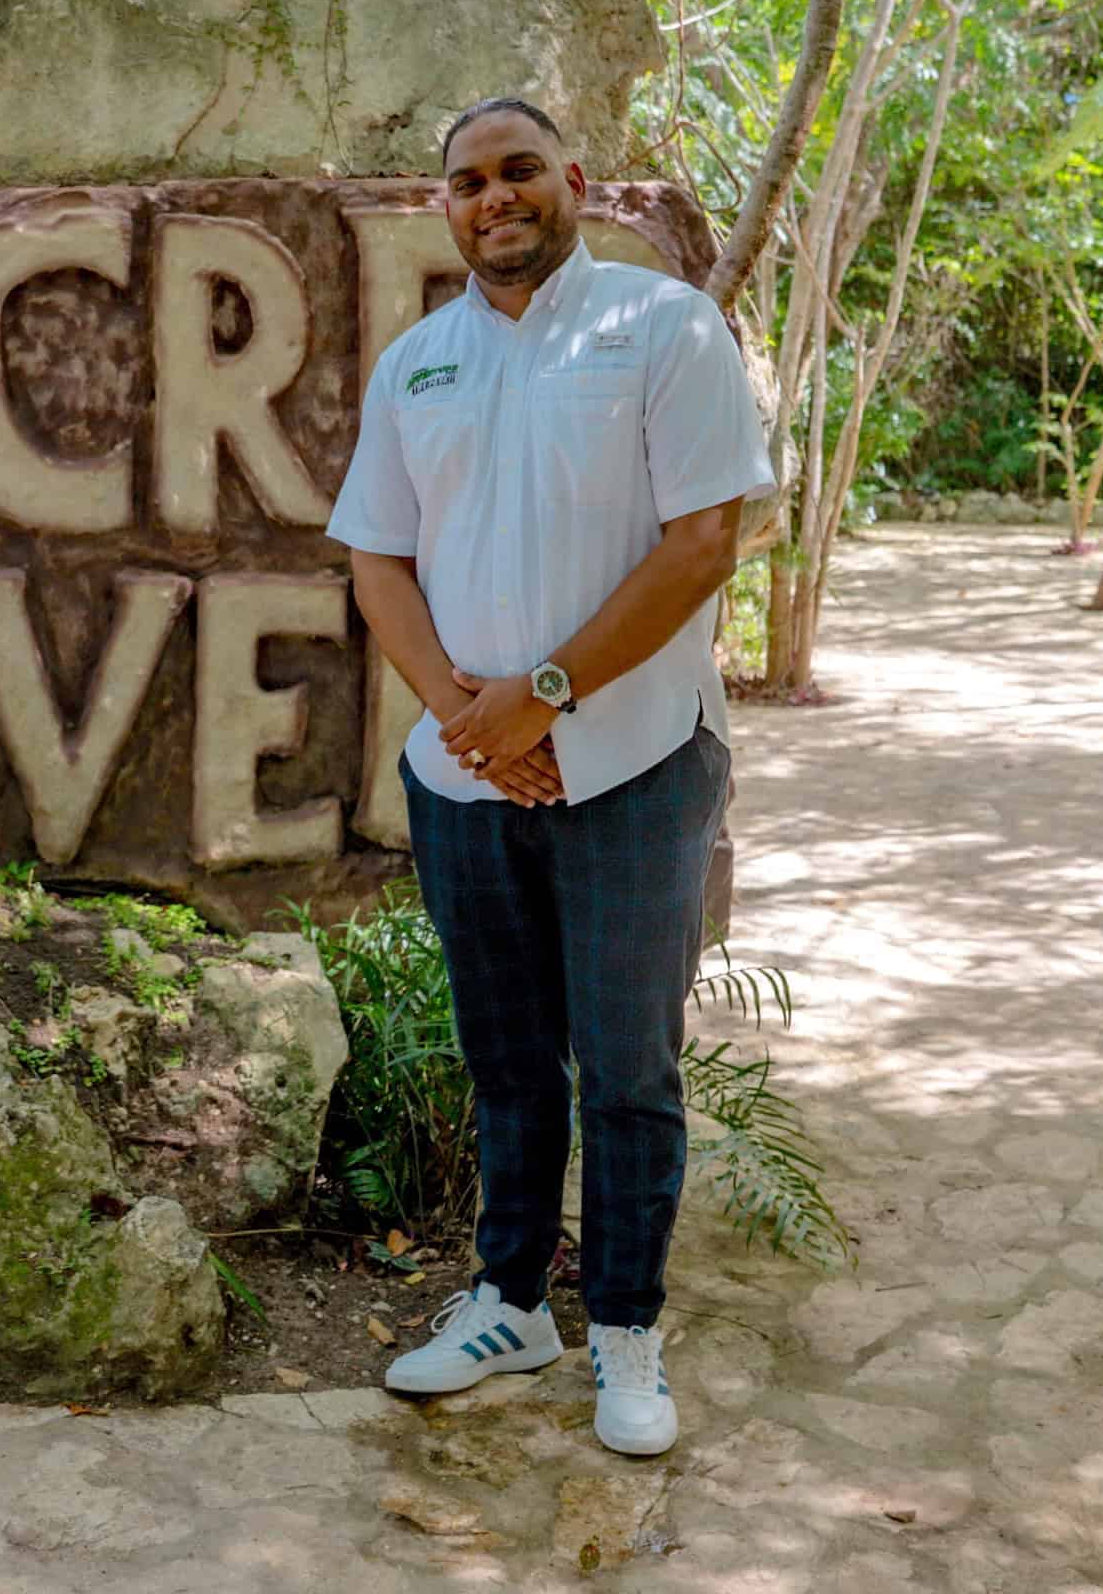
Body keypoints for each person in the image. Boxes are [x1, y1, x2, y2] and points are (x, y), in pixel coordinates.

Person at [329, 98, 774, 1457]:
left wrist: (544, 700)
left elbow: (704, 540)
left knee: (627, 1069)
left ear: (571, 181)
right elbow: (375, 559)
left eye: (519, 170)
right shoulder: (415, 364)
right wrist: (472, 723)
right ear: (444, 209)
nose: (493, 197)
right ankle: (509, 1300)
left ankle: (625, 1330)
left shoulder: (660, 329)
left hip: (633, 766)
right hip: (467, 779)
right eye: (467, 182)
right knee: (506, 1060)